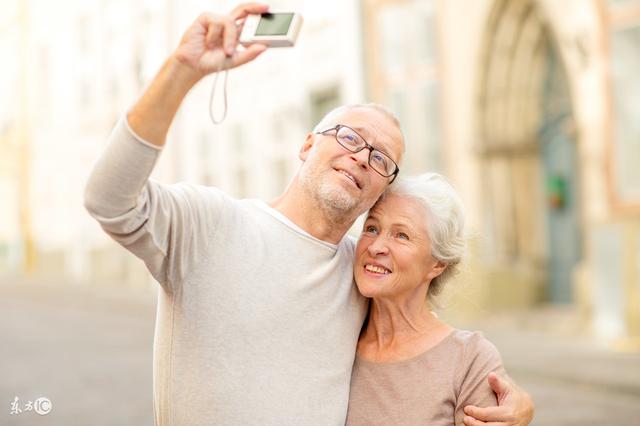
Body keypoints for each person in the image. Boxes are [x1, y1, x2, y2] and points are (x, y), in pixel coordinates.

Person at [84, 3, 533, 425]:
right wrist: (181, 71)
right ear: (306, 145)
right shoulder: (210, 224)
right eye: (350, 138)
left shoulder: (362, 272)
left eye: (381, 159)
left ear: (383, 187)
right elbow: (107, 200)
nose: (362, 157)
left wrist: (517, 404)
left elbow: (424, 345)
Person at [345, 173, 523, 425]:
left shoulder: (469, 359)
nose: (376, 247)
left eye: (401, 235)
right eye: (372, 228)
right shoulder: (337, 338)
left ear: (437, 264)